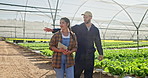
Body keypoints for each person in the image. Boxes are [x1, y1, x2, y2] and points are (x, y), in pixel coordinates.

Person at [44, 11, 103, 78]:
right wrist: (53, 30)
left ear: (90, 17)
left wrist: (100, 53)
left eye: (86, 17)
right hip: (80, 55)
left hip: (90, 56)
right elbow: (67, 29)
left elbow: (98, 42)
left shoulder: (95, 30)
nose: (84, 18)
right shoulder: (78, 27)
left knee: (89, 75)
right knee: (76, 74)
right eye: (84, 17)